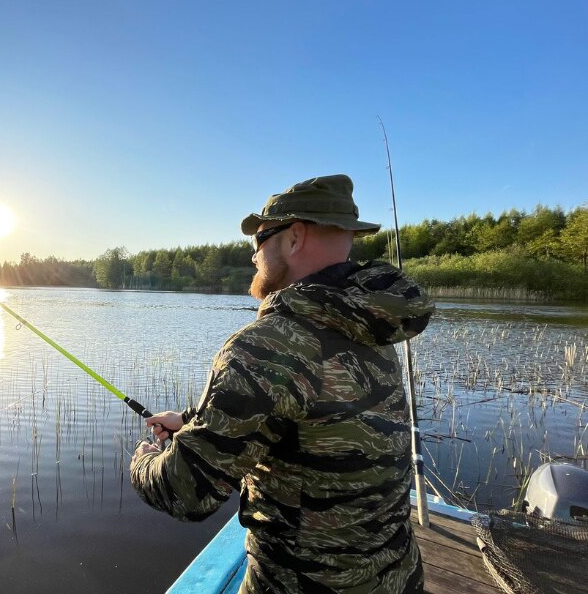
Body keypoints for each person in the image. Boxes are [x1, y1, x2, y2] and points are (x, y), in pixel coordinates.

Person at [130, 174, 433, 593]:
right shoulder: (371, 329)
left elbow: (185, 492)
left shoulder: (264, 346)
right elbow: (311, 427)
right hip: (397, 579)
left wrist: (144, 460)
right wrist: (191, 420)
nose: (254, 256)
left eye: (259, 239)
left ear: (293, 237)